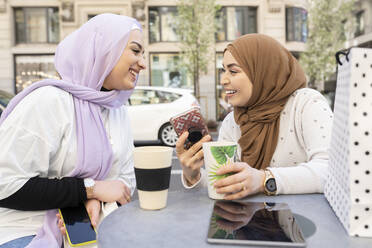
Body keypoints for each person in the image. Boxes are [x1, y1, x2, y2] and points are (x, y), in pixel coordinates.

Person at [0, 14, 145, 248]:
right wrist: (90, 190)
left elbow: (123, 183)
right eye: (135, 51)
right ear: (104, 51)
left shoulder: (117, 110)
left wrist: (96, 200)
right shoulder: (49, 101)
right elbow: (5, 184)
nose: (143, 63)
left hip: (91, 227)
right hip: (25, 230)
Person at [176, 34, 333, 200]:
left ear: (262, 72)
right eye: (223, 70)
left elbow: (330, 171)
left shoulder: (305, 103)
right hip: (247, 222)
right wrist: (193, 175)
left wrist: (263, 179)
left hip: (304, 222)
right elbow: (226, 185)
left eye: (233, 71)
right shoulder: (232, 121)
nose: (223, 80)